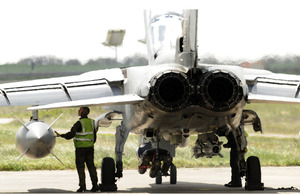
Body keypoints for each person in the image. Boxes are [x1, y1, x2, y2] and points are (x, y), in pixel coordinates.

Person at [55, 107, 99, 192]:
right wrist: (90, 143)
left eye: (79, 110)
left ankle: (82, 186)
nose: (78, 111)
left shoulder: (79, 123)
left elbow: (71, 134)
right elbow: (94, 136)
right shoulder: (92, 122)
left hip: (80, 149)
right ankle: (95, 185)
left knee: (80, 167)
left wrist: (62, 135)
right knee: (91, 166)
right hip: (90, 148)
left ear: (82, 112)